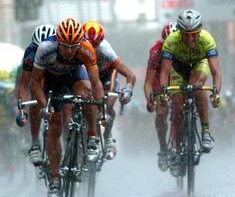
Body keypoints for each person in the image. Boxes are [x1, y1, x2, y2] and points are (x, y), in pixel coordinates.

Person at [31, 18, 105, 197]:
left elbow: (95, 82)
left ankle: (92, 137)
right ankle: (55, 178)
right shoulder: (46, 48)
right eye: (65, 46)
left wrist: (99, 103)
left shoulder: (86, 49)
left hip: (74, 77)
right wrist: (44, 105)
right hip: (51, 81)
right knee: (54, 127)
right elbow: (35, 83)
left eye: (74, 46)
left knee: (87, 94)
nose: (70, 51)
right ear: (58, 41)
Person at [159, 9, 221, 177]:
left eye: (194, 34)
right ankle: (179, 152)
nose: (190, 38)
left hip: (199, 65)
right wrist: (164, 93)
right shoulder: (171, 41)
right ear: (179, 32)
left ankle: (206, 132)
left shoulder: (207, 39)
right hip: (178, 69)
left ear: (200, 31)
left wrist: (216, 93)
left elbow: (216, 71)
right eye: (186, 34)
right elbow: (164, 72)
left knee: (196, 86)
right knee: (177, 111)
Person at [82, 20, 136, 160]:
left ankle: (108, 137)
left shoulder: (105, 49)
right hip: (87, 74)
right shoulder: (78, 47)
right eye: (89, 44)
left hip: (106, 73)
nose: (92, 49)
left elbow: (130, 74)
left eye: (96, 45)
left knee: (107, 103)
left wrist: (128, 90)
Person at [15, 23, 56, 166]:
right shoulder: (30, 54)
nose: (41, 54)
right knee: (35, 102)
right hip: (36, 84)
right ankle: (35, 144)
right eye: (38, 50)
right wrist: (22, 110)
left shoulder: (61, 51)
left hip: (56, 81)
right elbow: (23, 85)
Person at [143, 21, 177, 171]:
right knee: (162, 112)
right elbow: (148, 83)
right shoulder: (156, 51)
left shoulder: (185, 48)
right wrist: (151, 100)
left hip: (177, 78)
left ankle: (180, 143)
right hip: (159, 80)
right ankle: (163, 148)